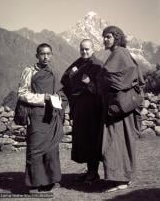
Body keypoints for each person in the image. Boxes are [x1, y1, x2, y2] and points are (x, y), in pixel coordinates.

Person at [98, 26, 145, 192]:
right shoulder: (123, 53)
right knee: (123, 141)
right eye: (104, 37)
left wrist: (101, 80)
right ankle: (125, 177)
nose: (105, 40)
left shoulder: (119, 54)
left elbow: (115, 78)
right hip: (123, 107)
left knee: (114, 143)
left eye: (108, 37)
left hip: (118, 108)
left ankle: (120, 180)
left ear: (116, 38)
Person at [17, 43, 67, 193]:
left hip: (51, 115)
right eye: (43, 54)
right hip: (37, 115)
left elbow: (57, 90)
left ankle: (51, 180)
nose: (46, 57)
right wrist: (42, 97)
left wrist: (57, 97)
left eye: (48, 54)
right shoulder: (29, 71)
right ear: (37, 55)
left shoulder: (52, 71)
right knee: (35, 149)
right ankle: (34, 183)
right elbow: (22, 93)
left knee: (51, 149)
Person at [61, 39, 103, 184]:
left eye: (87, 49)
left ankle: (94, 173)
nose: (84, 52)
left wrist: (89, 83)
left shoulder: (98, 66)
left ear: (93, 49)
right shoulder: (77, 64)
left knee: (92, 140)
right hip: (79, 108)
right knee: (84, 140)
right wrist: (72, 77)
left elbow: (103, 90)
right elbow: (65, 79)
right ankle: (89, 171)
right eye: (82, 49)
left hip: (93, 111)